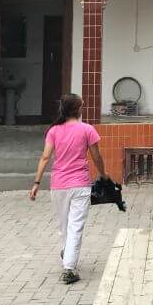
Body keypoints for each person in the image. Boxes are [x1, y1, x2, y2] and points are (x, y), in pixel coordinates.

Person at [29, 93, 108, 284]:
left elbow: (45, 157)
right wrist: (103, 175)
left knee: (65, 226)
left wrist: (36, 183)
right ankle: (69, 268)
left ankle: (68, 255)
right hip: (80, 184)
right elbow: (97, 157)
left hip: (58, 185)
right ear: (78, 109)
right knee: (75, 226)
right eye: (82, 106)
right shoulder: (87, 129)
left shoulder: (54, 131)